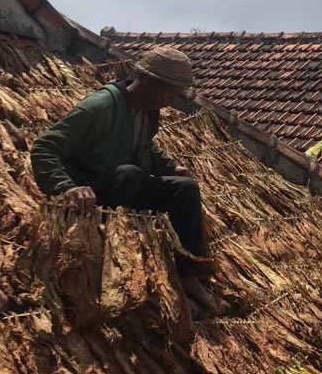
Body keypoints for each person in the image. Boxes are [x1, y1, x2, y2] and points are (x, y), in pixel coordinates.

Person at [30, 46, 223, 316]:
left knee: (185, 189)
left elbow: (143, 147)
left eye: (176, 94)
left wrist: (171, 167)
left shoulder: (147, 111)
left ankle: (189, 275)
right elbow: (44, 147)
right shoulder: (99, 108)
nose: (171, 100)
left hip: (124, 183)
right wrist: (67, 186)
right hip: (92, 190)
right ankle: (109, 250)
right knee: (130, 174)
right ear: (147, 80)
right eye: (169, 92)